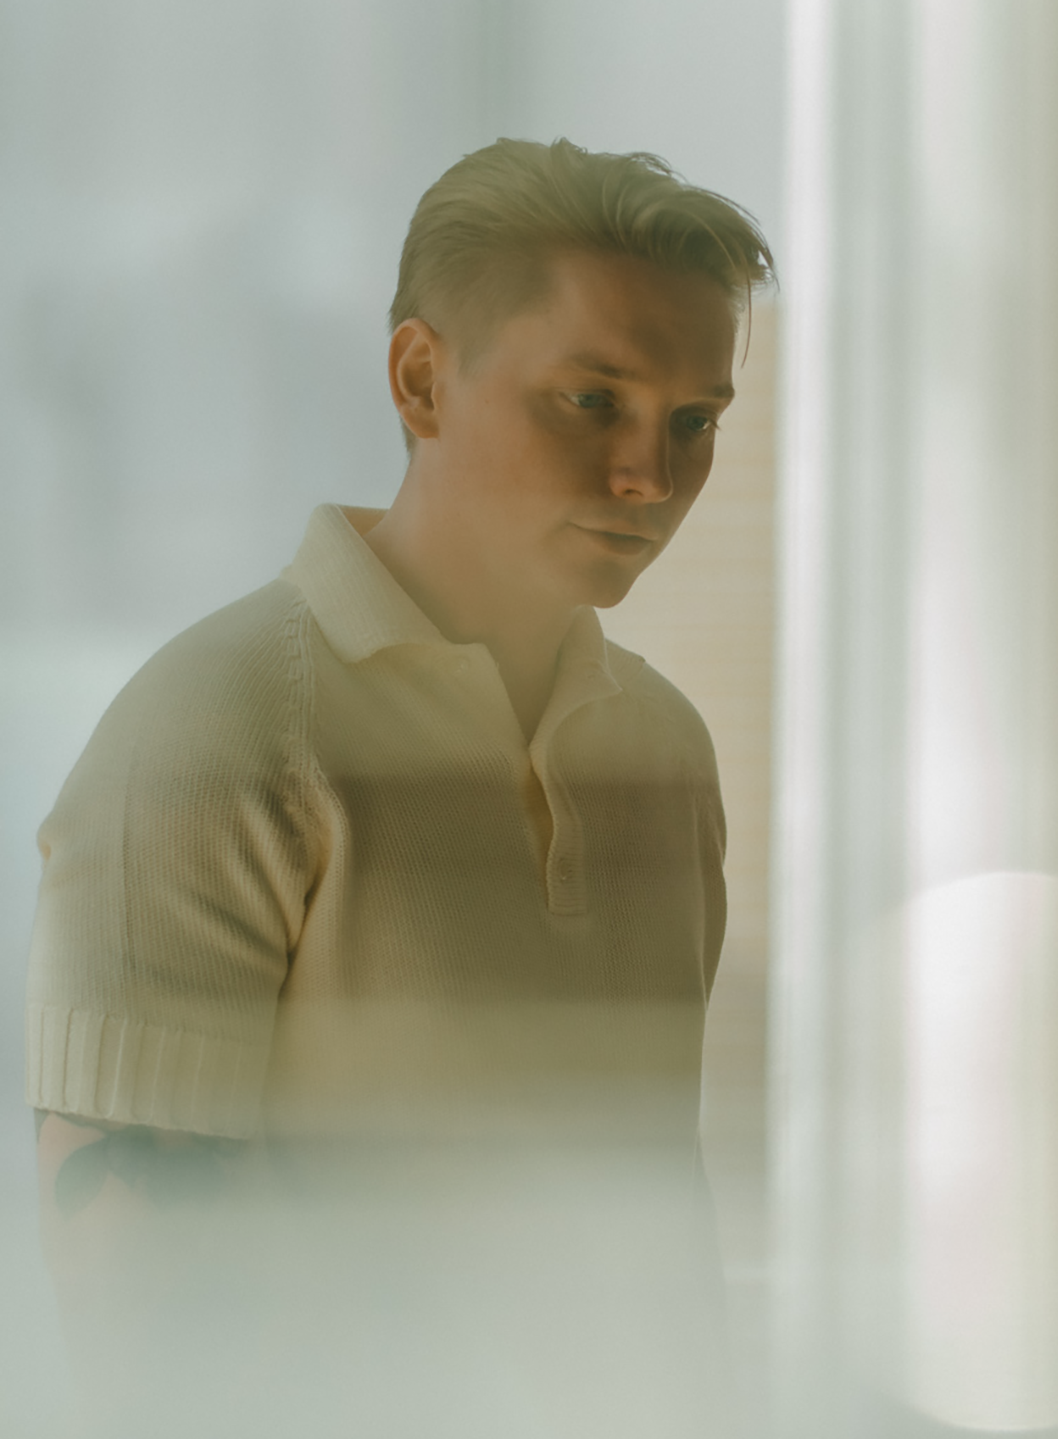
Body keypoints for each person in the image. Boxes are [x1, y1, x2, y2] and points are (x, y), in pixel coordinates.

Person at [26, 138, 772, 1436]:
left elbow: (657, 1232)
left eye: (693, 421)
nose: (651, 477)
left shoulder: (662, 747)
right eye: (590, 399)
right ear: (422, 379)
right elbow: (138, 1313)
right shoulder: (216, 728)